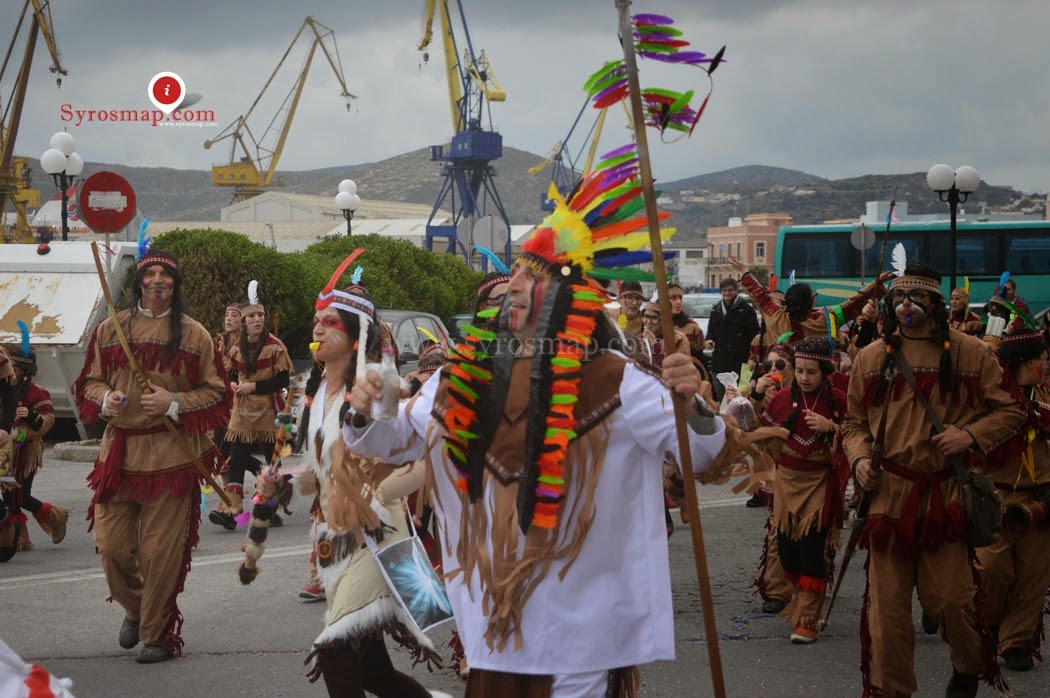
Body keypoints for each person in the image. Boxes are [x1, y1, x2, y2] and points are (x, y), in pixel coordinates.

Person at [345, 151, 730, 697]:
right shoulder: (460, 378)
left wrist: (694, 404)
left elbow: (708, 455)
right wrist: (367, 406)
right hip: (494, 626)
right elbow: (393, 437)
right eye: (516, 276)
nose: (517, 289)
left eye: (534, 279)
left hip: (584, 631)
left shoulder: (617, 381)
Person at [258, 267, 446, 698]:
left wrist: (372, 497)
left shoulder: (376, 384)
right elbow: (322, 472)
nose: (318, 328)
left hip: (378, 538)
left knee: (335, 650)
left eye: (331, 323)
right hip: (332, 539)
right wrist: (283, 483)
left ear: (355, 336)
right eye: (317, 320)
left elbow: (406, 457)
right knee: (374, 674)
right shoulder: (312, 388)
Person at [841, 261, 1026, 698]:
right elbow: (852, 424)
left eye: (916, 298)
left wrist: (969, 435)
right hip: (887, 497)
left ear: (936, 303)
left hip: (945, 495)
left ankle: (967, 667)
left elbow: (1012, 410)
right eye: (899, 299)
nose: (906, 307)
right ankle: (892, 690)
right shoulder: (869, 357)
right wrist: (860, 460)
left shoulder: (971, 353)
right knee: (886, 616)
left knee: (953, 602)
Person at [72, 248, 231, 663]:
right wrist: (106, 398)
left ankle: (156, 635)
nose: (158, 280)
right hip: (119, 453)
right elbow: (88, 382)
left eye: (166, 275)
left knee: (160, 553)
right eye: (151, 273)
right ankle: (137, 609)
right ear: (139, 281)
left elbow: (216, 392)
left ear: (175, 285)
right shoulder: (111, 328)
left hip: (170, 457)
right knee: (111, 546)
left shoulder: (195, 334)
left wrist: (174, 402)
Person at [758, 336, 847, 643]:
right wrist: (750, 403)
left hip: (819, 485)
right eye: (800, 371)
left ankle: (808, 619)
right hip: (786, 483)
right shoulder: (782, 398)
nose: (805, 378)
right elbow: (759, 432)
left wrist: (832, 428)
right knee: (787, 553)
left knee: (811, 552)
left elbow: (860, 436)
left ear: (825, 373)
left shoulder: (838, 399)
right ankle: (805, 599)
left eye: (812, 372)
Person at [974, 321, 1050, 673]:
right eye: (1043, 358)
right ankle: (990, 625)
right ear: (1024, 361)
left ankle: (1017, 642)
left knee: (1033, 575)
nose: (1047, 364)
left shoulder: (1046, 395)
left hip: (1041, 498)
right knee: (991, 568)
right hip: (997, 498)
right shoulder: (993, 399)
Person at [210, 283, 293, 530]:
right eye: (252, 317)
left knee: (271, 459)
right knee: (237, 456)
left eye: (260, 316)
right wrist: (236, 385)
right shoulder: (237, 347)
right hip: (243, 407)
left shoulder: (275, 345)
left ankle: (269, 506)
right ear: (245, 322)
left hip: (268, 407)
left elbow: (282, 380)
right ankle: (232, 508)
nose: (257, 320)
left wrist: (253, 387)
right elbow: (233, 372)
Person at [729, 257, 892, 348]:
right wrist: (877, 283)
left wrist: (745, 271)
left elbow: (761, 295)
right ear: (811, 301)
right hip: (817, 381)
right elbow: (855, 302)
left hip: (779, 380)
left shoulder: (775, 316)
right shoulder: (826, 318)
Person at [4, 338, 66, 551]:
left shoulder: (35, 391)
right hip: (6, 449)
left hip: (26, 450)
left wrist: (31, 416)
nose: (11, 369)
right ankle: (14, 539)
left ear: (24, 369)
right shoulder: (5, 386)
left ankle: (54, 517)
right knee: (8, 493)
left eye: (15, 367)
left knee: (20, 495)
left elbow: (48, 418)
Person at [707, 276, 760, 395]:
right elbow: (711, 331)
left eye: (730, 290)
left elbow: (754, 336)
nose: (727, 293)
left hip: (742, 362)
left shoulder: (746, 310)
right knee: (721, 395)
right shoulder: (716, 309)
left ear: (736, 291)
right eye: (724, 290)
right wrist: (709, 340)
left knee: (742, 395)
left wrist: (752, 357)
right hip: (720, 361)